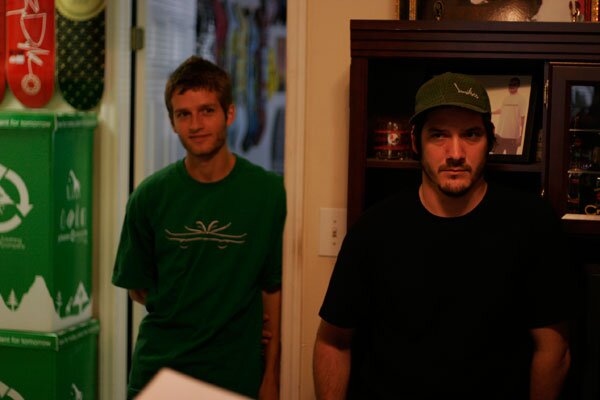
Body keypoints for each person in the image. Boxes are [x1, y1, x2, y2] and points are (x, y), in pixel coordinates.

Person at [313, 72, 573, 399]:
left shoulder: (532, 225)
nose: (455, 153)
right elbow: (333, 343)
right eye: (438, 135)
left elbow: (553, 351)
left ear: (490, 140)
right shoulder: (373, 230)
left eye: (471, 134)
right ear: (415, 142)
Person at [112, 56, 286, 400]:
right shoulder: (149, 196)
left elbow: (273, 288)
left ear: (229, 114)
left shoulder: (268, 192)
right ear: (172, 122)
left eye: (207, 111)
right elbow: (138, 288)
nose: (196, 124)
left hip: (235, 375)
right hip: (159, 374)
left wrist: (271, 375)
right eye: (183, 114)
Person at [492, 76, 528, 155]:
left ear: (517, 86)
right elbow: (502, 110)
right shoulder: (506, 98)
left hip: (512, 137)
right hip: (500, 135)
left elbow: (522, 119)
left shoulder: (521, 99)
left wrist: (520, 137)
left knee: (511, 158)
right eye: (510, 85)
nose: (511, 87)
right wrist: (491, 112)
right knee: (496, 156)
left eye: (513, 85)